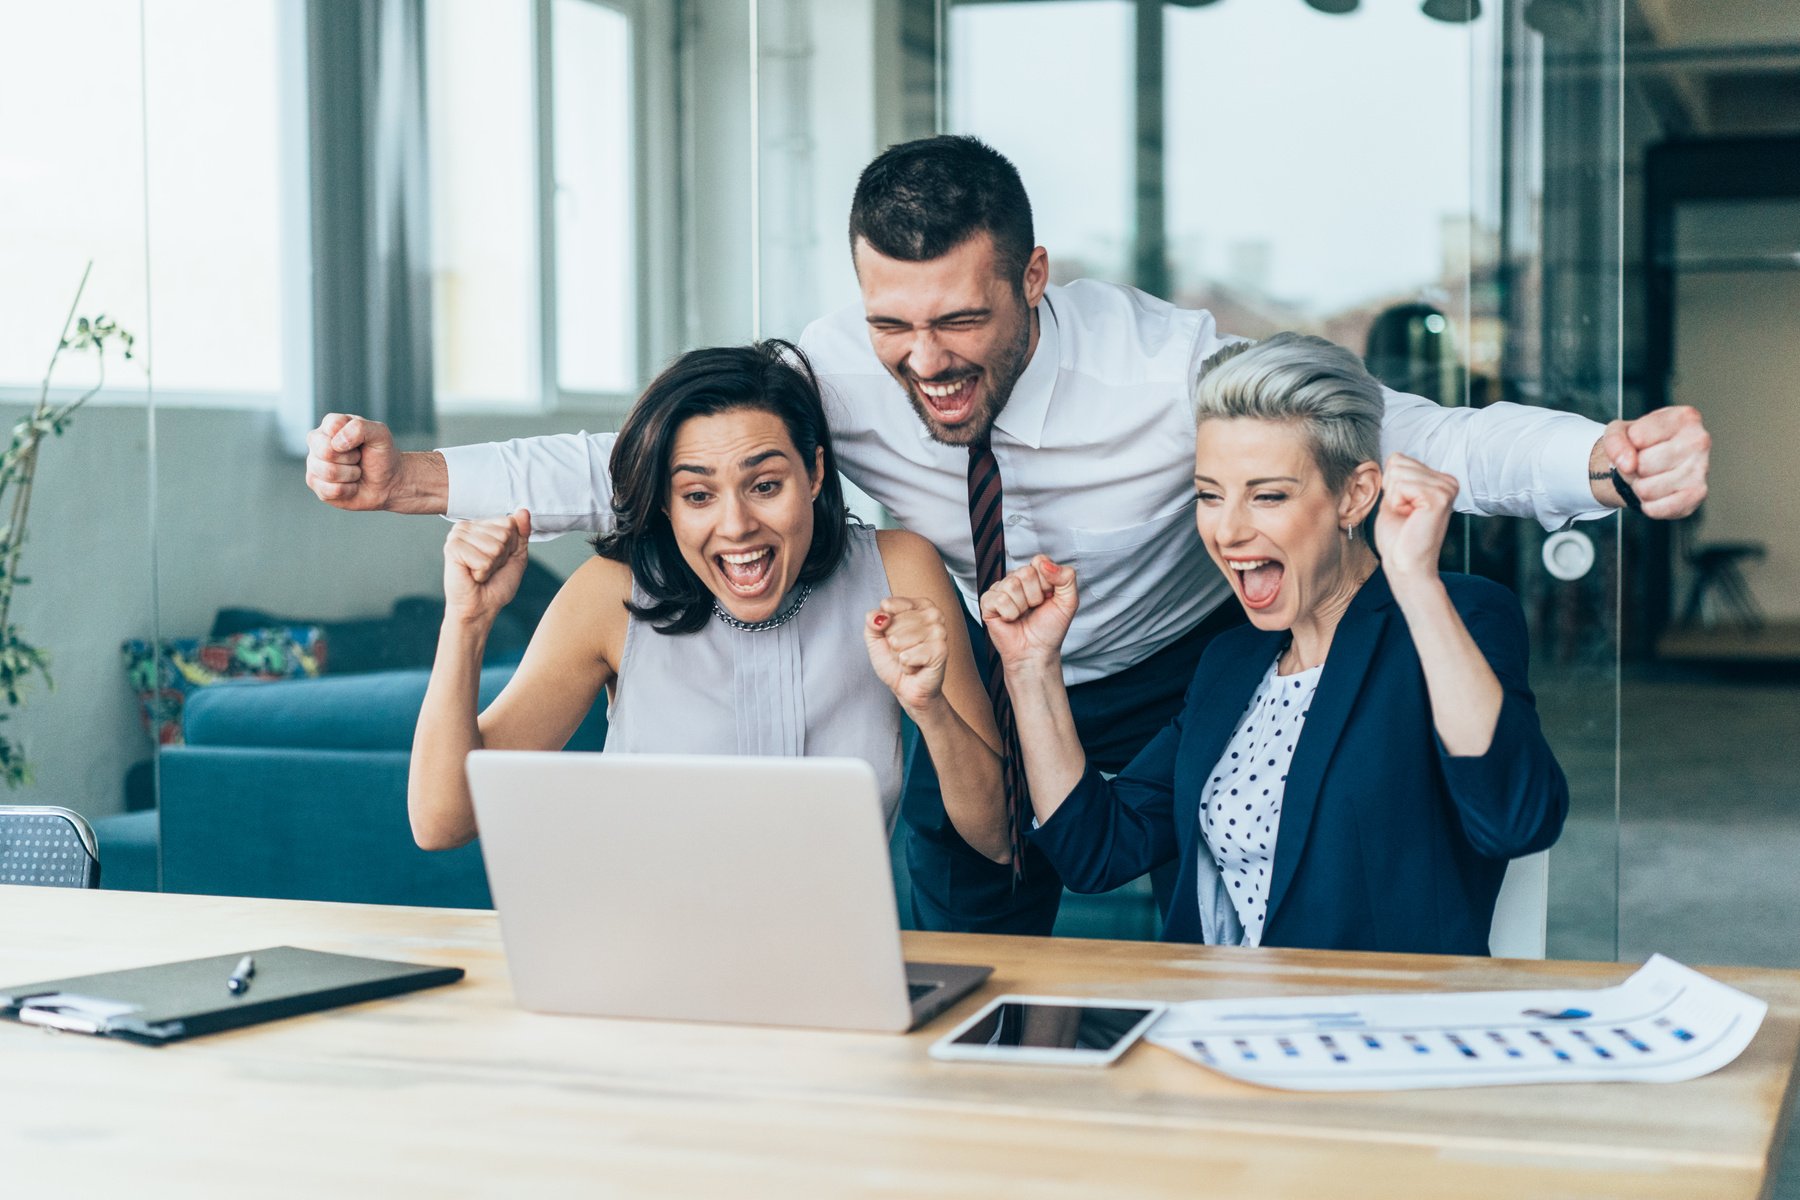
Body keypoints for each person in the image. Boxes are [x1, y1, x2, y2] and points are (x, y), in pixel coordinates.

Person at [309, 136, 1706, 937]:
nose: (925, 364)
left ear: (1034, 277)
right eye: (894, 326)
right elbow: (642, 463)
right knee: (962, 941)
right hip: (986, 674)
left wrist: (1596, 455)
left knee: (1211, 905)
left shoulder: (1165, 363)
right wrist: (415, 478)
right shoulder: (836, 373)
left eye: (962, 322)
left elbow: (1400, 428)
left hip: (1177, 668)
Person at [981, 334, 1568, 952]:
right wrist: (1030, 665)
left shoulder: (1454, 616)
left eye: (1268, 496)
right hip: (1217, 1024)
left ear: (1355, 495)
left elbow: (1515, 820)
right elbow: (1096, 851)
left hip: (1377, 1031)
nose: (1228, 529)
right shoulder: (1231, 662)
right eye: (1209, 495)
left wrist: (1414, 580)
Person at [407, 342, 1009, 865]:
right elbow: (444, 821)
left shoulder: (897, 570)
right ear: (667, 504)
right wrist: (466, 623)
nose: (737, 525)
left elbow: (999, 837)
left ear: (815, 473)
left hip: (828, 971)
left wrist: (930, 707)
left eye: (766, 486)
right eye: (698, 494)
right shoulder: (609, 596)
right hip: (646, 966)